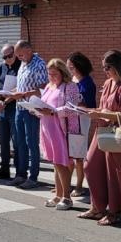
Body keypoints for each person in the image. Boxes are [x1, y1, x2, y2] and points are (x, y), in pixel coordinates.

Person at [77, 50, 121, 226]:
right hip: (103, 130)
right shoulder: (109, 82)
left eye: (107, 67)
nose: (105, 70)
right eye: (103, 66)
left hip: (117, 133)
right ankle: (97, 207)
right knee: (90, 166)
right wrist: (90, 111)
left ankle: (114, 211)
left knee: (114, 173)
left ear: (118, 66)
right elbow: (104, 109)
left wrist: (99, 113)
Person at [37, 58, 82, 210]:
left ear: (63, 73)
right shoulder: (49, 86)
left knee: (62, 163)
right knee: (56, 163)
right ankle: (58, 195)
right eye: (49, 74)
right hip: (47, 128)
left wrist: (53, 111)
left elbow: (72, 108)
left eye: (55, 74)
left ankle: (67, 198)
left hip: (61, 129)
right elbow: (43, 105)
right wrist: (36, 109)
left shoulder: (70, 86)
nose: (52, 77)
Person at [12, 40, 49, 190]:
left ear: (28, 50)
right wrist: (11, 92)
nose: (19, 58)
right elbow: (22, 84)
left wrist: (25, 94)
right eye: (17, 55)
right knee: (19, 142)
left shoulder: (39, 64)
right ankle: (21, 175)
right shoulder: (23, 63)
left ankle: (33, 177)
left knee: (31, 143)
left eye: (20, 54)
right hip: (19, 107)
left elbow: (43, 87)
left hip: (31, 108)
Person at [0, 44, 21, 180]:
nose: (7, 59)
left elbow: (20, 88)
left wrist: (6, 101)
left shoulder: (21, 67)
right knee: (3, 140)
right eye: (4, 57)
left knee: (17, 141)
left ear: (15, 53)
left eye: (9, 56)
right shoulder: (2, 66)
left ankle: (19, 172)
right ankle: (4, 169)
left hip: (15, 108)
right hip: (2, 109)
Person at [67, 52, 96, 199]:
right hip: (69, 118)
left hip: (81, 119)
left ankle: (79, 186)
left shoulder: (87, 82)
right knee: (68, 154)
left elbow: (89, 104)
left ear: (79, 66)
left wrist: (74, 102)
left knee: (78, 155)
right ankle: (66, 184)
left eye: (71, 67)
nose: (69, 70)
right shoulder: (72, 80)